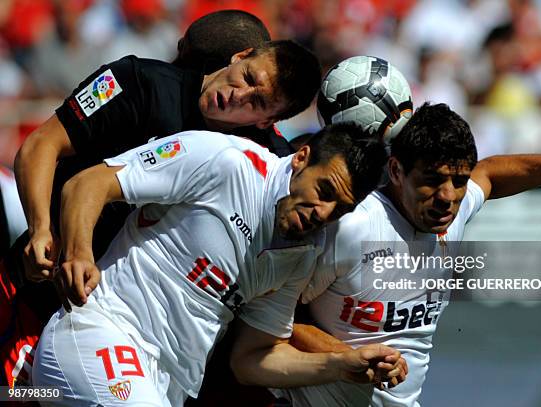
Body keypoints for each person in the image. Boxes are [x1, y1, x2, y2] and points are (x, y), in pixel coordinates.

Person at [2, 15, 320, 385]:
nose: (238, 95)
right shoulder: (135, 82)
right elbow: (42, 145)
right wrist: (42, 228)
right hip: (34, 297)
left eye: (258, 102)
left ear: (269, 121)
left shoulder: (266, 167)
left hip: (128, 342)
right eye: (248, 77)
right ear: (241, 56)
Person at [31, 123, 404, 406]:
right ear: (302, 157)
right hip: (100, 332)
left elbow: (253, 359)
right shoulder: (224, 160)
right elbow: (89, 183)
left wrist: (341, 365)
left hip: (166, 384)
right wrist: (78, 253)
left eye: (340, 209)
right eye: (323, 192)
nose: (322, 213)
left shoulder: (302, 255)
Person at [274, 102, 541, 406]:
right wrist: (349, 357)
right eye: (431, 180)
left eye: (459, 181)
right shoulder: (349, 227)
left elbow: (489, 172)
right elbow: (274, 320)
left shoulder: (452, 209)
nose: (447, 196)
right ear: (395, 171)